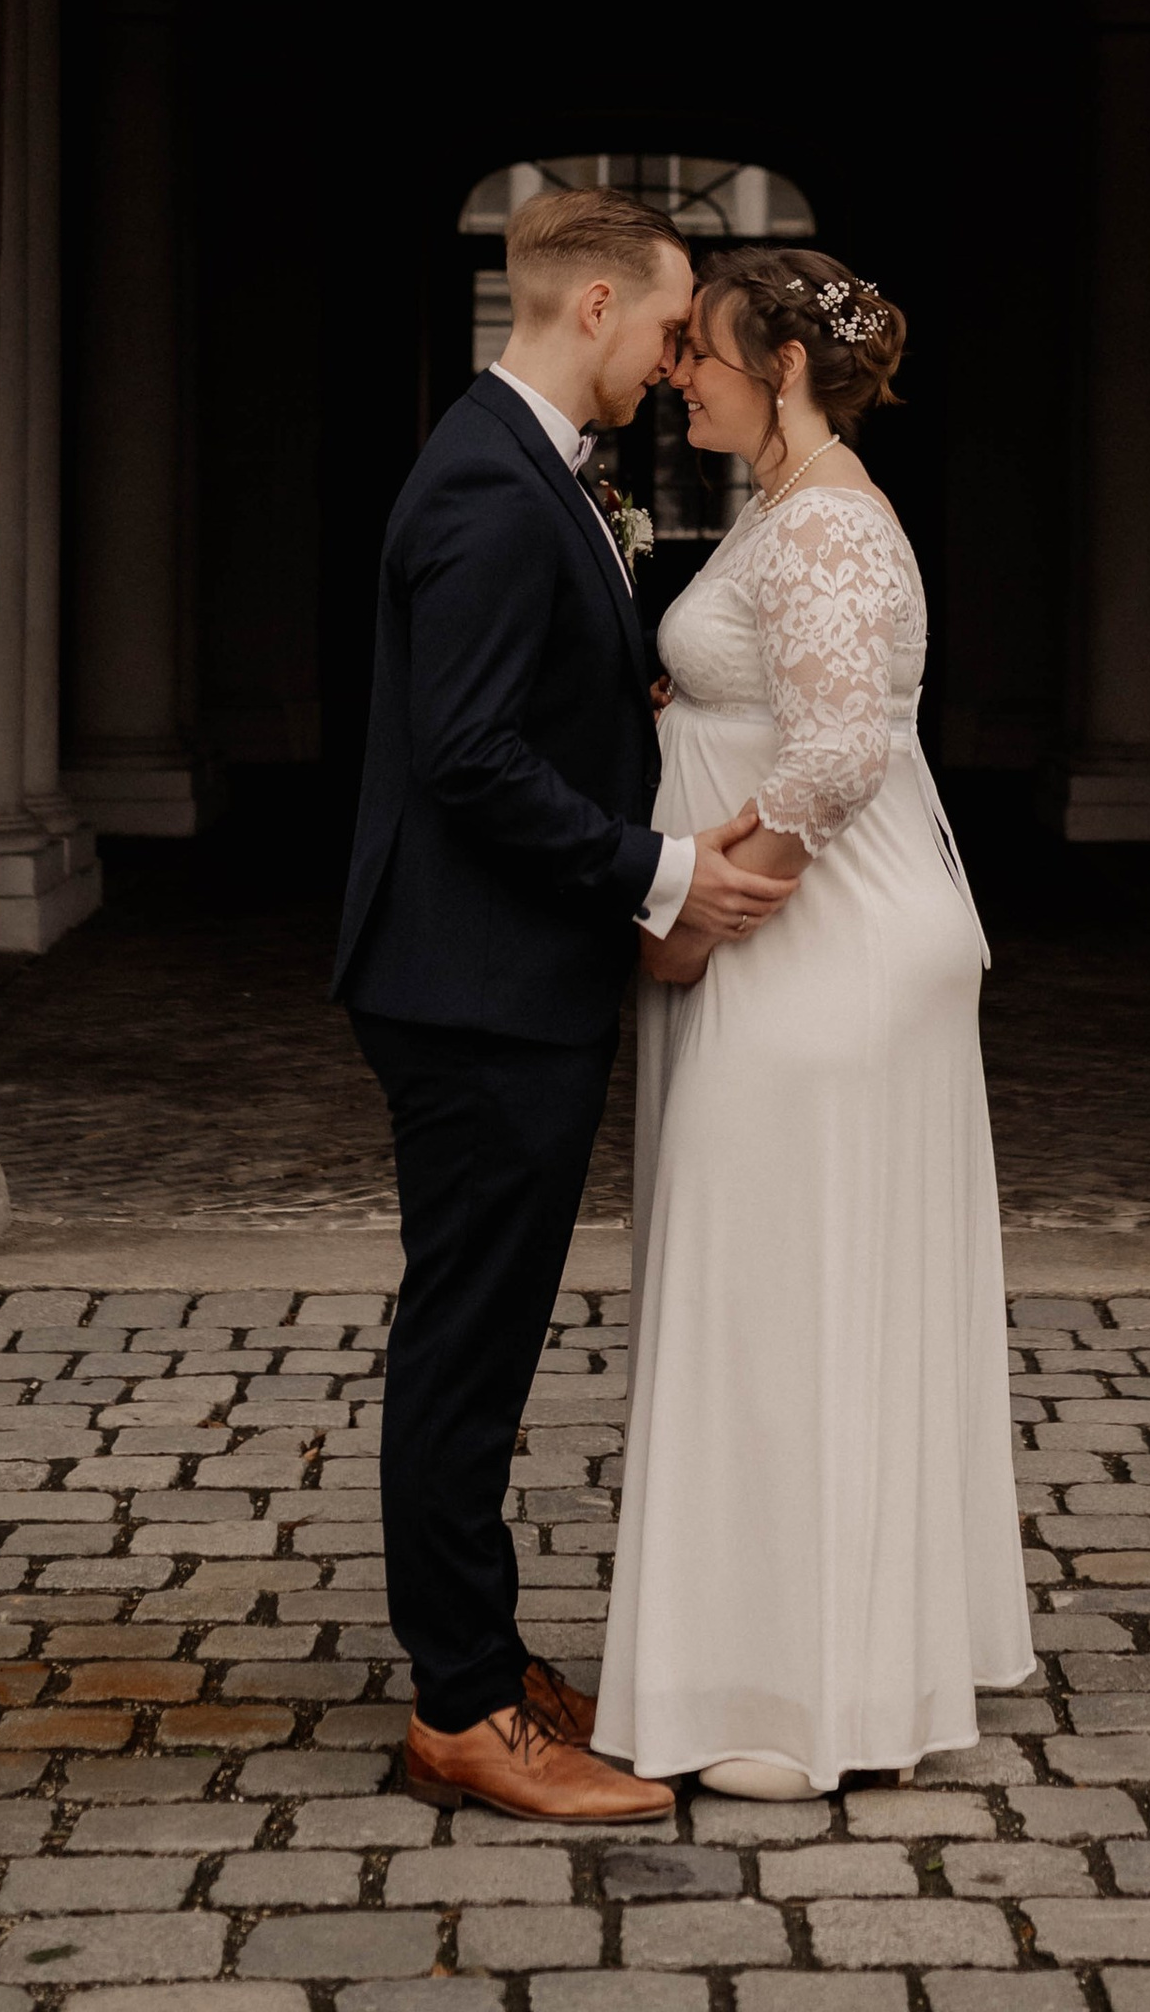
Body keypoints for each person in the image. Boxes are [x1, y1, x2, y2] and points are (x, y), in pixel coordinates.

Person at [334, 184, 797, 1824]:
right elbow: (466, 759)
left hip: (504, 976)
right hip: (473, 986)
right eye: (671, 326)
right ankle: (462, 1709)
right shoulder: (483, 481)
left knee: (491, 1334)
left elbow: (521, 695)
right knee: (465, 1346)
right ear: (593, 307)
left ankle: (488, 1649)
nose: (678, 359)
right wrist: (657, 872)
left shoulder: (527, 468)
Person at [595, 244, 1033, 1797]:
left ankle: (805, 1691)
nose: (680, 373)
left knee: (793, 1289)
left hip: (820, 947)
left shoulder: (831, 520)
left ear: (777, 368)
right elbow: (776, 698)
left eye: (703, 354)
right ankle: (793, 1650)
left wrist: (713, 906)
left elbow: (847, 744)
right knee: (780, 1279)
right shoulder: (791, 508)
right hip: (802, 936)